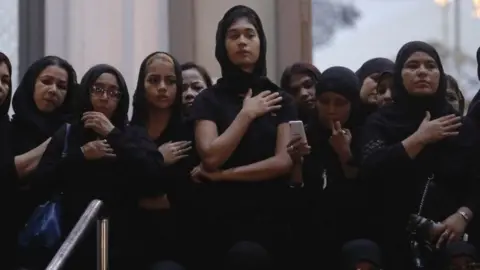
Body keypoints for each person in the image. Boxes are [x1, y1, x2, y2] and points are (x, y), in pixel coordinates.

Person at [188, 5, 297, 270]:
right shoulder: (207, 99)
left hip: (271, 218)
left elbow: (283, 161)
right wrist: (246, 115)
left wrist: (225, 175)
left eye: (250, 34)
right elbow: (211, 156)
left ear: (261, 42)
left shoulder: (281, 99)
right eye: (233, 35)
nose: (242, 42)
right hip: (219, 220)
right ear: (222, 45)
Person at [361, 41, 480, 270]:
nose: (422, 72)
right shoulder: (381, 122)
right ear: (399, 76)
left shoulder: (460, 125)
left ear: (440, 75)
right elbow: (371, 168)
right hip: (393, 234)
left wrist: (462, 216)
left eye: (430, 66)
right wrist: (419, 139)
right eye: (412, 66)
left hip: (453, 236)